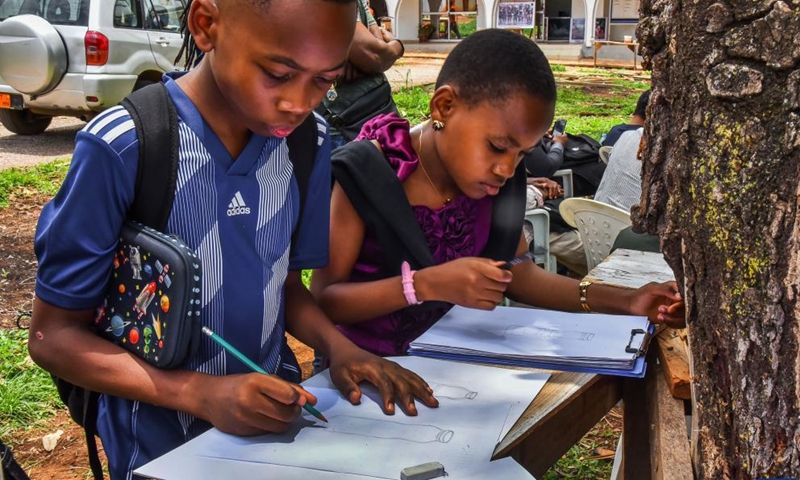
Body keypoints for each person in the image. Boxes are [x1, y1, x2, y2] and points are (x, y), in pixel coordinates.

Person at [27, 1, 438, 478]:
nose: (299, 102)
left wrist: (340, 348)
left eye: (324, 80)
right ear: (206, 25)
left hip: (273, 430)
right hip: (156, 445)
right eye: (279, 73)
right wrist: (198, 394)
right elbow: (51, 336)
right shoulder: (127, 145)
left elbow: (282, 285)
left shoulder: (307, 142)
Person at [310, 29, 684, 360]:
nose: (506, 169)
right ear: (444, 106)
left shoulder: (495, 184)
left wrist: (623, 300)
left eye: (521, 153)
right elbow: (326, 299)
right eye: (496, 146)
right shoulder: (369, 173)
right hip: (362, 375)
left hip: (452, 372)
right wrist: (424, 285)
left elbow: (517, 273)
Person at [320, 0, 404, 149]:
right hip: (341, 125)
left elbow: (376, 47)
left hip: (369, 113)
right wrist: (398, 45)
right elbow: (374, 55)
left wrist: (373, 51)